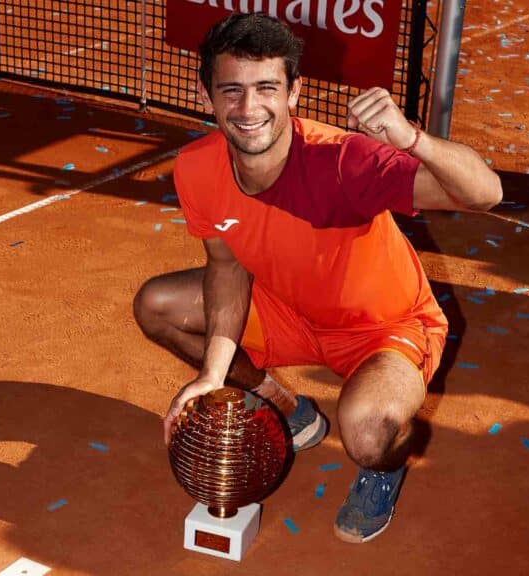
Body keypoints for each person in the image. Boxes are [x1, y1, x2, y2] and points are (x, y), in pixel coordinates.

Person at [133, 12, 502, 543]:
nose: (248, 108)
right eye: (231, 90)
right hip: (288, 310)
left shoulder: (345, 161)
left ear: (294, 92)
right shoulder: (196, 168)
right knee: (157, 306)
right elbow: (227, 268)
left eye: (266, 88)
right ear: (205, 95)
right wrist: (214, 374)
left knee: (370, 432)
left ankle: (383, 469)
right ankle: (286, 406)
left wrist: (412, 138)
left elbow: (485, 193)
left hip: (384, 328)